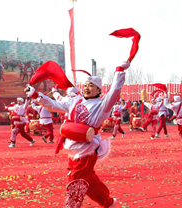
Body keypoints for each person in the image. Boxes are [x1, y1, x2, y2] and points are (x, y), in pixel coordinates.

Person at [25, 61, 130, 208]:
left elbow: (115, 91)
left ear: (99, 90)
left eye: (91, 86)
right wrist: (35, 94)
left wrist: (119, 70)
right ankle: (108, 202)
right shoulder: (75, 101)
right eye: (85, 85)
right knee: (89, 181)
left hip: (87, 150)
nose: (87, 88)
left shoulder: (102, 105)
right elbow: (54, 105)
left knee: (75, 182)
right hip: (72, 147)